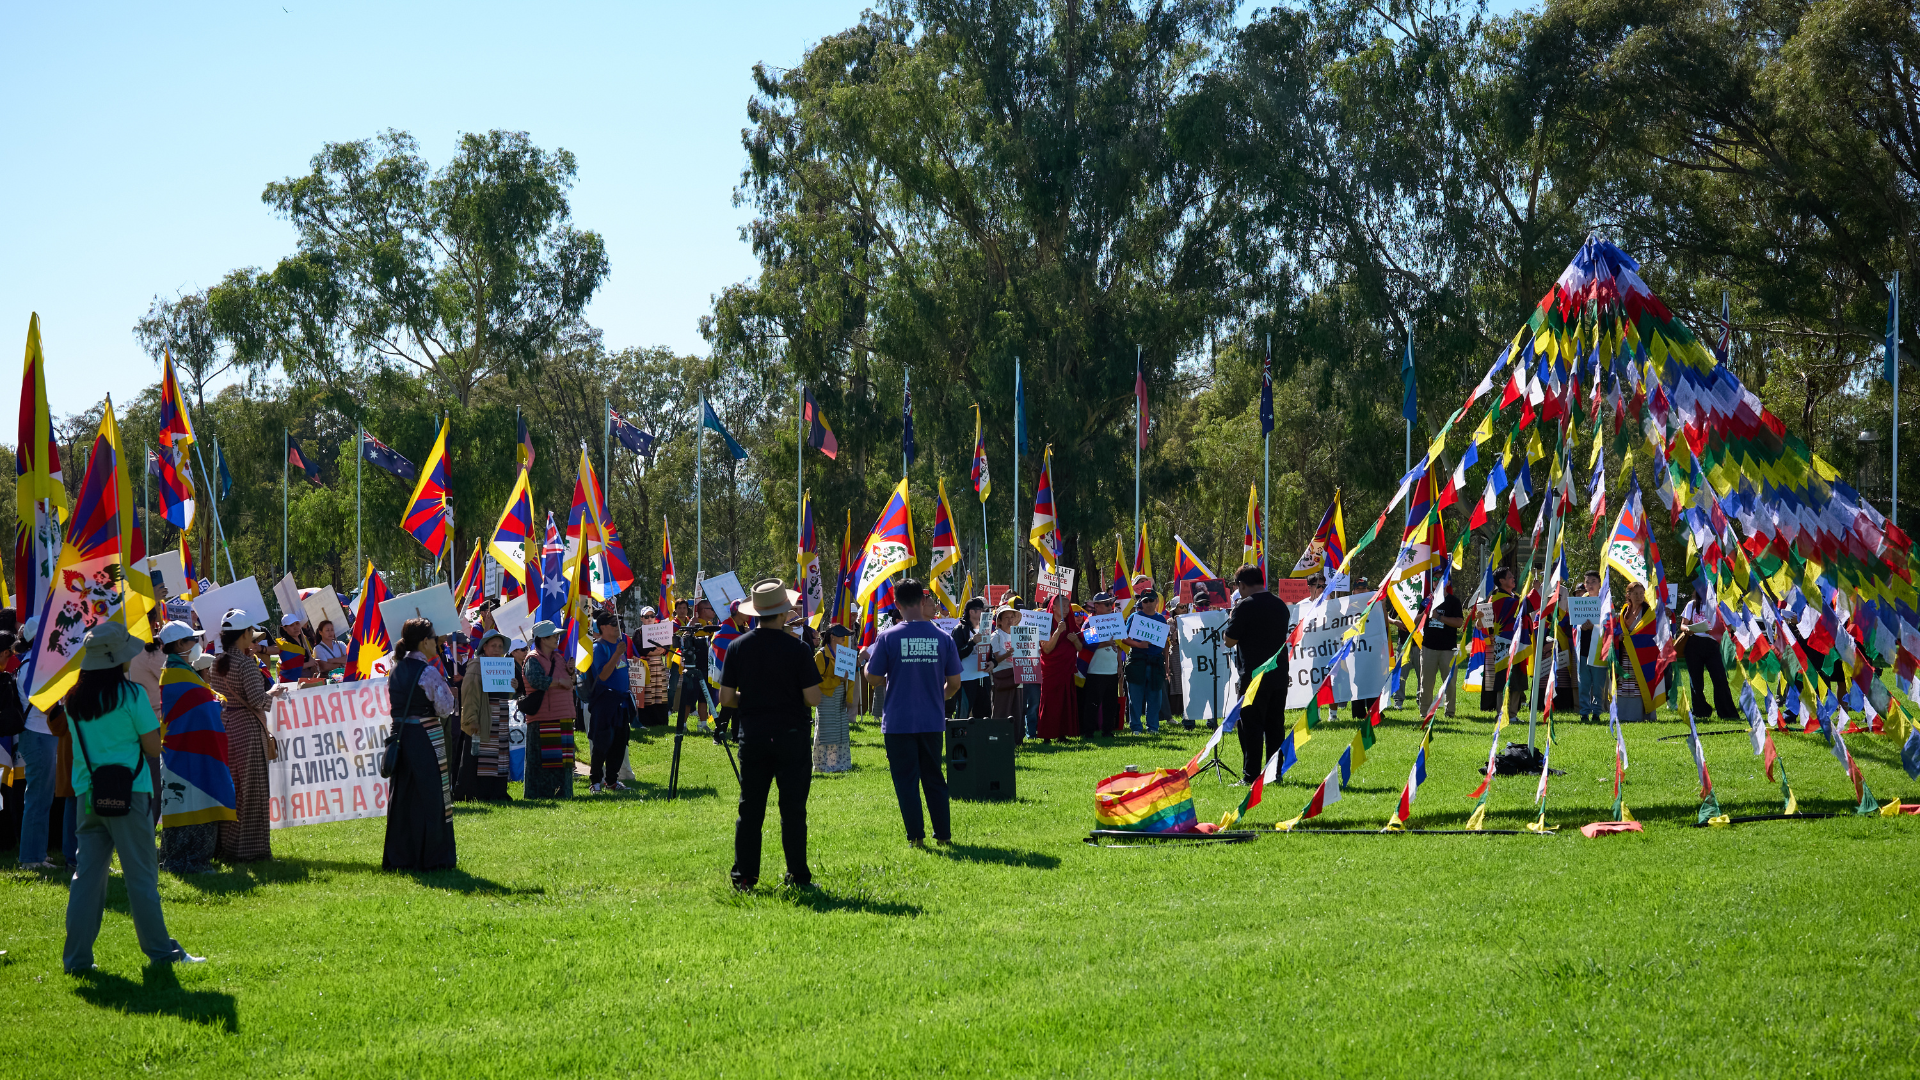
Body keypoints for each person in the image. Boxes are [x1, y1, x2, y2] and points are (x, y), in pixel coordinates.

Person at [61, 622, 204, 974]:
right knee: (142, 878)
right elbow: (154, 747)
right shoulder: (133, 695)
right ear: (115, 660)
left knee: (86, 879)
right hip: (132, 794)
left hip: (88, 796)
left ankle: (76, 961)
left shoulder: (72, 699)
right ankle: (160, 953)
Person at [717, 579, 823, 889]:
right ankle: (797, 876)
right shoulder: (798, 648)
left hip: (754, 735)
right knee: (793, 810)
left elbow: (725, 698)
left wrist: (749, 702)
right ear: (783, 612)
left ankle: (745, 877)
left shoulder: (737, 646)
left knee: (750, 810)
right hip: (791, 735)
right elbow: (813, 698)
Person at [865, 579, 962, 848]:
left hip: (898, 721)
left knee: (906, 781)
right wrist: (935, 695)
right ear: (923, 601)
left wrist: (867, 669)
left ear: (896, 605)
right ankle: (943, 834)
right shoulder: (944, 638)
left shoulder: (887, 637)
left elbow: (873, 678)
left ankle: (916, 838)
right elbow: (954, 683)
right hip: (931, 719)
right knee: (934, 778)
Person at [156, 621, 234, 874]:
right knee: (186, 802)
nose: (197, 645)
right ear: (179, 645)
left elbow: (203, 699)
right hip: (184, 752)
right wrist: (214, 704)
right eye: (192, 640)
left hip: (193, 751)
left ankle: (189, 859)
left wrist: (213, 701)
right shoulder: (175, 674)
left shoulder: (183, 671)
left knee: (192, 801)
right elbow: (199, 706)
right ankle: (187, 861)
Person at [380, 618, 458, 870]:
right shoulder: (429, 672)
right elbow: (446, 708)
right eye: (434, 638)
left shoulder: (395, 669)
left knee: (403, 796)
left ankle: (401, 857)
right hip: (426, 738)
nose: (437, 642)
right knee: (431, 796)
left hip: (402, 739)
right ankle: (433, 857)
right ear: (424, 642)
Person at [208, 611, 276, 864]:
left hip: (226, 727)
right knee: (253, 791)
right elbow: (257, 700)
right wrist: (274, 694)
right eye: (251, 633)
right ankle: (250, 850)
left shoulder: (216, 661)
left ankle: (225, 846)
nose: (254, 638)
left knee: (231, 788)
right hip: (247, 729)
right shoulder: (247, 663)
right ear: (244, 634)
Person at [16, 616, 75, 871]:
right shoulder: (32, 667)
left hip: (44, 736)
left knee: (42, 799)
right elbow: (43, 703)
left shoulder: (33, 664)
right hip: (38, 736)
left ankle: (36, 853)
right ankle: (31, 858)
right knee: (39, 799)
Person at [1222, 563, 1290, 782]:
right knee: (1275, 726)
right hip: (1278, 675)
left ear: (1241, 585)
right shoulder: (1280, 605)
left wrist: (1233, 617)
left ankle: (1250, 775)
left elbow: (1230, 641)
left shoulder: (1244, 606)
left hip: (1253, 677)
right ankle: (1274, 774)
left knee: (1251, 726)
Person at [522, 621, 577, 799]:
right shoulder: (533, 659)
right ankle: (541, 795)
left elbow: (569, 681)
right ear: (543, 639)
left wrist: (570, 673)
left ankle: (563, 793)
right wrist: (560, 682)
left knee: (564, 762)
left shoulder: (558, 658)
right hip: (543, 719)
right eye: (553, 636)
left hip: (563, 716)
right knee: (543, 762)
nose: (557, 638)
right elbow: (535, 681)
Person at [457, 630, 514, 802]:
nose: (497, 649)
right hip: (485, 716)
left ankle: (497, 791)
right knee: (482, 756)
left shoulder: (504, 665)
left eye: (500, 646)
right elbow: (470, 694)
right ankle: (478, 792)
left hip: (501, 718)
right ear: (484, 648)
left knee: (498, 756)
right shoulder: (477, 665)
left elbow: (504, 694)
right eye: (493, 646)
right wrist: (472, 718)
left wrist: (512, 686)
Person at [585, 611, 635, 794]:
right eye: (613, 624)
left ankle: (612, 780)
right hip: (605, 701)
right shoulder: (599, 648)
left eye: (618, 623)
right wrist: (617, 654)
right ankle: (595, 781)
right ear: (603, 628)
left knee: (620, 742)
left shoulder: (619, 646)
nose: (617, 626)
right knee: (602, 742)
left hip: (621, 701)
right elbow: (603, 675)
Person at [1681, 586, 1737, 720]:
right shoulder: (1692, 604)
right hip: (1694, 644)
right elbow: (1683, 625)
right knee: (1696, 681)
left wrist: (1715, 629)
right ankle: (1700, 711)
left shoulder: (1719, 606)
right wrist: (1689, 629)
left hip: (1712, 645)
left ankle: (1725, 712)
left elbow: (1728, 627)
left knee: (1720, 679)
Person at [1074, 592, 1125, 736]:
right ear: (1096, 606)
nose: (1110, 606)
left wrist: (1120, 665)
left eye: (1111, 604)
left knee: (1110, 704)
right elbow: (1086, 643)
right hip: (1095, 670)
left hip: (1112, 670)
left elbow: (1119, 644)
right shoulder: (1091, 622)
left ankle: (1108, 731)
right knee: (1092, 704)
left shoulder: (1115, 620)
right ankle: (1088, 731)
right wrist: (1106, 643)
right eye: (1107, 604)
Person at [1417, 577, 1464, 719]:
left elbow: (1459, 622)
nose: (1437, 581)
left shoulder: (1453, 602)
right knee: (1426, 683)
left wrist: (1439, 617)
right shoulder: (1426, 601)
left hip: (1448, 649)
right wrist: (1425, 612)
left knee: (1449, 683)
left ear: (1448, 582)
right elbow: (1416, 623)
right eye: (1435, 579)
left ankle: (1449, 712)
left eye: (1442, 579)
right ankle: (1424, 713)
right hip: (1428, 648)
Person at [1035, 594, 1079, 741]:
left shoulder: (1071, 623)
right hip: (1051, 669)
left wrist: (1075, 641)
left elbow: (1080, 647)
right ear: (1053, 607)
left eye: (1068, 606)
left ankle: (1062, 734)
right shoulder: (1045, 624)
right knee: (1049, 702)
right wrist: (1058, 632)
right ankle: (1046, 735)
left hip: (1066, 669)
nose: (1067, 609)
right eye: (1063, 606)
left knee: (1065, 701)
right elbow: (1046, 649)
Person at [812, 624, 856, 772]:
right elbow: (816, 681)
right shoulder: (821, 655)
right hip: (825, 698)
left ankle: (839, 763)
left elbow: (850, 679)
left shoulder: (845, 654)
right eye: (841, 635)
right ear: (832, 637)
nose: (844, 638)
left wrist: (849, 699)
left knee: (840, 731)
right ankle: (824, 765)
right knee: (826, 731)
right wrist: (837, 680)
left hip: (839, 697)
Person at [1124, 591, 1168, 733]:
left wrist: (1166, 663)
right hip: (1138, 660)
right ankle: (1136, 727)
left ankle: (1153, 727)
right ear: (1141, 603)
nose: (1148, 603)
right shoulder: (1135, 617)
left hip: (1156, 661)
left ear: (1156, 601)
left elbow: (1165, 644)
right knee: (1135, 697)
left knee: (1155, 697)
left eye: (1150, 600)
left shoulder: (1161, 619)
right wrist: (1138, 645)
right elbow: (1124, 638)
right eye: (1145, 601)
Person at [674, 600, 716, 734]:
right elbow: (682, 640)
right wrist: (690, 626)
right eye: (711, 609)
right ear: (703, 610)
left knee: (705, 695)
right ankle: (683, 724)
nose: (713, 611)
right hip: (694, 665)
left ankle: (703, 724)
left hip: (707, 666)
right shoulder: (693, 625)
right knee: (689, 696)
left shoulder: (710, 625)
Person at [1614, 581, 1652, 722]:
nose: (1638, 596)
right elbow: (1618, 628)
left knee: (1641, 683)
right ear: (1628, 595)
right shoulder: (1624, 611)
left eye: (1641, 593)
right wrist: (1619, 636)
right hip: (1625, 653)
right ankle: (1624, 715)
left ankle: (1642, 714)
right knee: (1625, 682)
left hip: (1642, 655)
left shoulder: (1648, 611)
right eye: (1635, 593)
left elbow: (1651, 632)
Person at [1575, 571, 1608, 722]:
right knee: (1584, 683)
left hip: (1599, 649)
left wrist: (1593, 626)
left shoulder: (1605, 601)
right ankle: (1584, 712)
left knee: (1599, 684)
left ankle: (1596, 712)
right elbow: (1575, 624)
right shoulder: (1581, 600)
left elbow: (1609, 623)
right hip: (1584, 648)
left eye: (1593, 581)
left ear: (1600, 583)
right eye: (1587, 582)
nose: (1589, 585)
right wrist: (1582, 627)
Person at [950, 597, 990, 720]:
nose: (985, 613)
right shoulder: (960, 629)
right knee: (963, 713)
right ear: (971, 612)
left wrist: (993, 663)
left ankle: (981, 739)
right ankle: (960, 739)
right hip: (966, 679)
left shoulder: (986, 628)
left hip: (983, 677)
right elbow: (955, 654)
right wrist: (971, 642)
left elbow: (991, 652)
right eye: (982, 610)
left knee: (984, 714)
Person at [635, 608, 671, 728]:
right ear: (641, 618)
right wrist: (655, 652)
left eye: (652, 616)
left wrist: (662, 650)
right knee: (647, 694)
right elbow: (639, 648)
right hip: (646, 665)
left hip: (659, 665)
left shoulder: (661, 629)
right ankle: (647, 720)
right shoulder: (638, 632)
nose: (649, 619)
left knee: (659, 692)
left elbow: (666, 646)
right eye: (646, 617)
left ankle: (661, 721)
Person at [987, 605, 1021, 723]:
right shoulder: (996, 636)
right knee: (1002, 710)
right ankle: (999, 737)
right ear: (999, 621)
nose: (1010, 620)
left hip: (1018, 677)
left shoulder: (1017, 635)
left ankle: (1016, 738)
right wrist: (1007, 655)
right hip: (1002, 678)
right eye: (1006, 618)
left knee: (1017, 709)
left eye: (1012, 617)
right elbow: (995, 659)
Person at [275, 614, 313, 683]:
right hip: (292, 680)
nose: (296, 627)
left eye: (297, 624)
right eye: (291, 625)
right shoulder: (284, 644)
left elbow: (310, 655)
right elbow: (290, 667)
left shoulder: (304, 639)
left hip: (308, 678)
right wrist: (309, 664)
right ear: (284, 628)